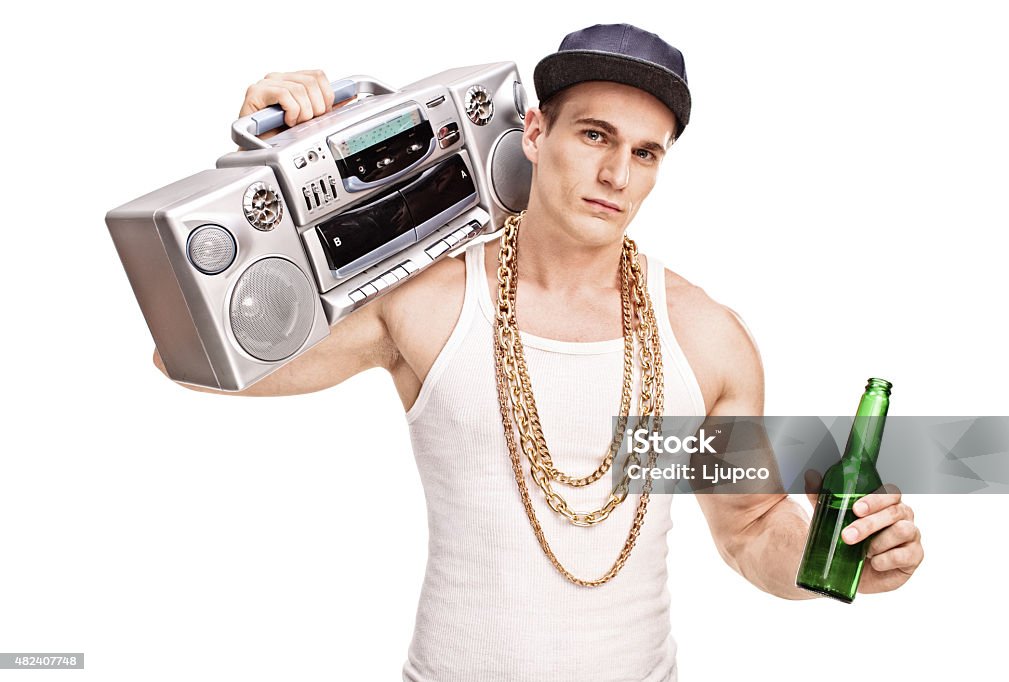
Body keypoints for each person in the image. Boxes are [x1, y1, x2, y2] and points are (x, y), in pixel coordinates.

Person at [155, 24, 924, 682]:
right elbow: (189, 361)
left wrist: (848, 555)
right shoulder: (429, 303)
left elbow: (753, 528)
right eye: (595, 135)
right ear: (535, 132)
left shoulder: (708, 336)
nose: (617, 174)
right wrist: (262, 172)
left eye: (646, 153)